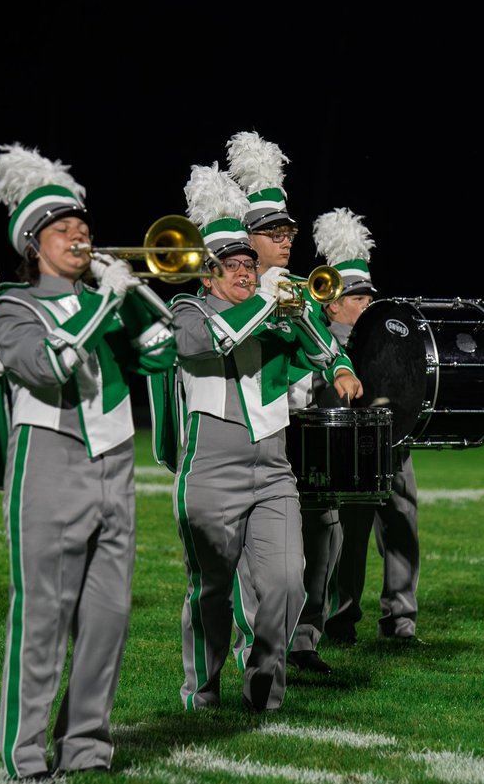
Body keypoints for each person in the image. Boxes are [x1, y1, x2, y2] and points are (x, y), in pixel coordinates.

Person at [0, 143, 176, 780]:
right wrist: (105, 304)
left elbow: (165, 353)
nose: (80, 236)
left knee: (108, 623)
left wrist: (137, 294)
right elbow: (49, 365)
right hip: (51, 466)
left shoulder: (107, 299)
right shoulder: (11, 306)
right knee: (43, 621)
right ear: (33, 245)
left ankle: (87, 746)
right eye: (63, 230)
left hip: (116, 464)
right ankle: (27, 753)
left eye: (83, 227)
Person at [166, 162, 356, 712]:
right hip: (210, 466)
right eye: (235, 265)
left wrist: (339, 365)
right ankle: (201, 689)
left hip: (273, 468)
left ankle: (263, 683)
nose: (248, 272)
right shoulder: (189, 310)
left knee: (286, 584)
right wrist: (268, 301)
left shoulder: (274, 307)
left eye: (251, 263)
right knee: (212, 590)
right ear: (208, 275)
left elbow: (321, 344)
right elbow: (211, 342)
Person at [225, 132, 362, 674]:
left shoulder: (303, 287)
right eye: (274, 233)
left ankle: (303, 639)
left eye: (289, 232)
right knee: (249, 548)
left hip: (301, 425)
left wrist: (343, 366)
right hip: (249, 427)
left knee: (319, 532)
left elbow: (324, 344)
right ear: (248, 238)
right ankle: (249, 644)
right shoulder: (232, 289)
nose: (286, 241)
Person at [312, 209, 422, 647]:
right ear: (334, 303)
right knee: (351, 537)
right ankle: (340, 620)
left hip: (393, 443)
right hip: (349, 449)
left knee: (403, 527)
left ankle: (400, 620)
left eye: (369, 296)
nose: (368, 304)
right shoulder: (321, 340)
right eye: (358, 298)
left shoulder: (386, 336)